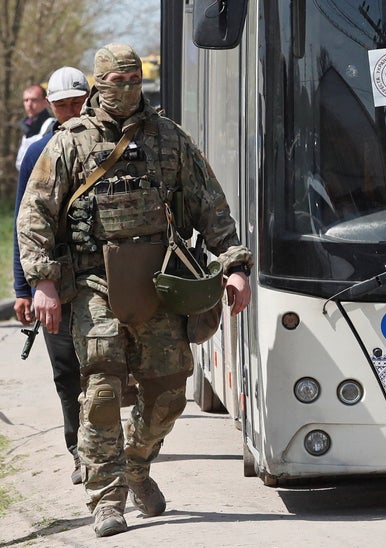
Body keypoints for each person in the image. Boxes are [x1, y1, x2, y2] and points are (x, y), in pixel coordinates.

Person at [17, 43, 253, 538]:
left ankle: (137, 464)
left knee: (170, 391)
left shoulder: (170, 139)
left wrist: (234, 264)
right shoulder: (69, 143)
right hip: (93, 285)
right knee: (102, 389)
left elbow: (211, 203)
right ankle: (106, 498)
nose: (125, 91)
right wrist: (42, 282)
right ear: (97, 86)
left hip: (159, 284)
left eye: (132, 82)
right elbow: (34, 214)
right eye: (114, 83)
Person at [13, 67, 90, 486]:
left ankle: (113, 453)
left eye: (78, 102)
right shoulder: (38, 152)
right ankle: (79, 450)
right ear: (51, 107)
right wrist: (23, 287)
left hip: (103, 282)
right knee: (66, 371)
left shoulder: (110, 146)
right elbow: (22, 227)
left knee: (107, 370)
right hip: (54, 283)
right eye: (63, 105)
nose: (72, 111)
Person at [16, 84, 54, 170]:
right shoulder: (25, 126)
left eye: (34, 100)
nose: (29, 104)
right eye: (26, 100)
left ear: (45, 101)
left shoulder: (51, 126)